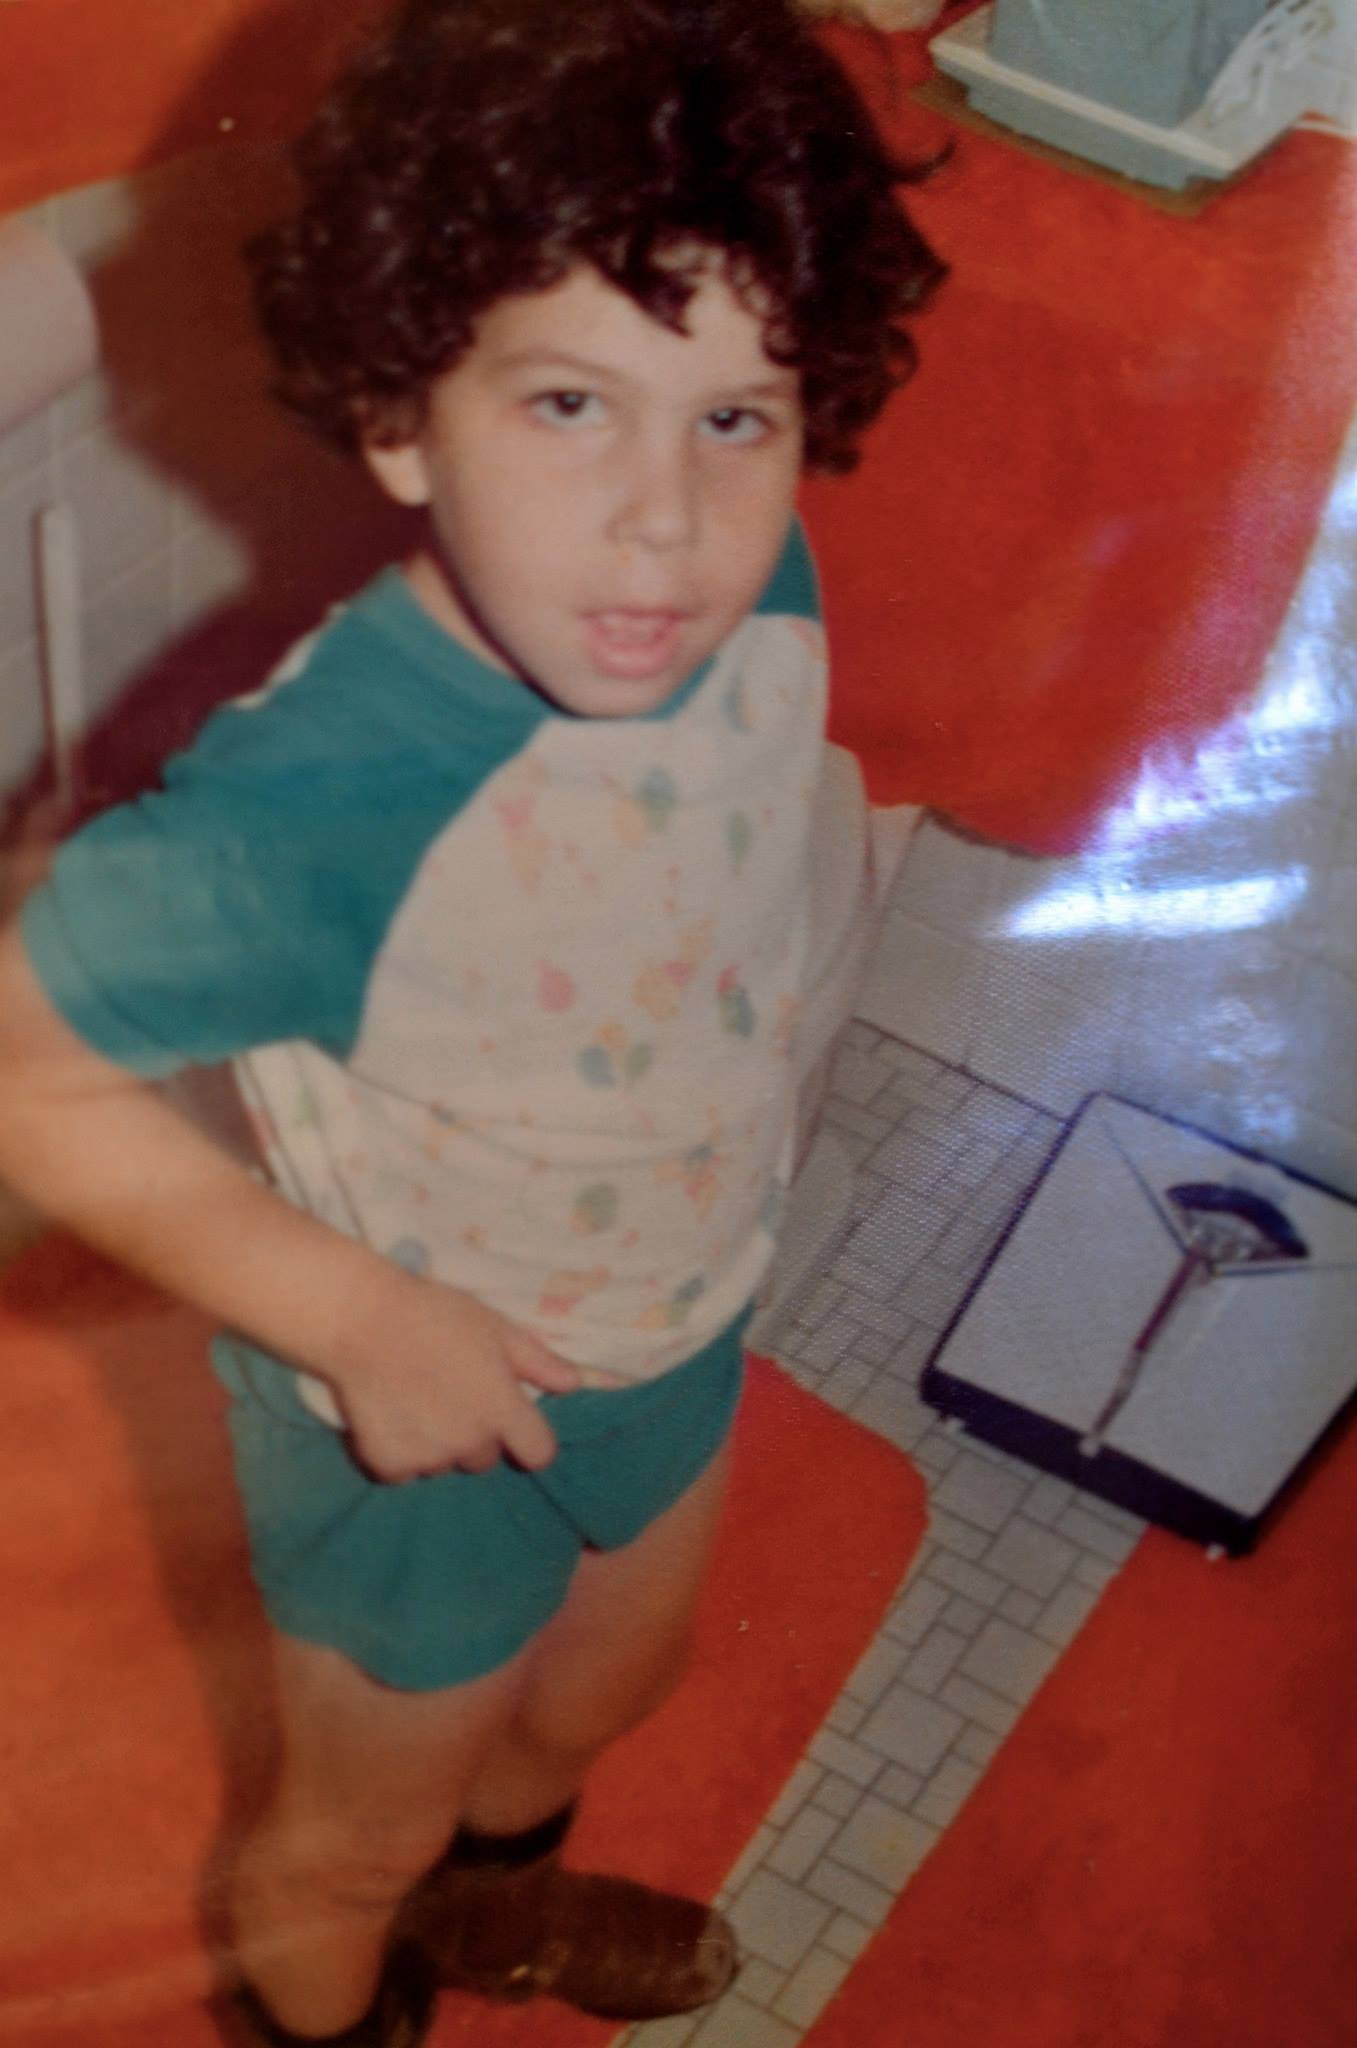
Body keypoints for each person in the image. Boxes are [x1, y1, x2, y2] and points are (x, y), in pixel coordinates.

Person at [0, 2, 943, 2042]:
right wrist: (349, 1318)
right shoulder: (337, 795)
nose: (664, 520)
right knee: (353, 1837)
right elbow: (19, 1062)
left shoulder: (748, 586)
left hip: (669, 1308)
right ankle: (348, 1996)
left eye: (736, 415)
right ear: (403, 412)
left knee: (596, 1695)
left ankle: (492, 1915)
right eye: (569, 406)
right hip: (410, 1408)